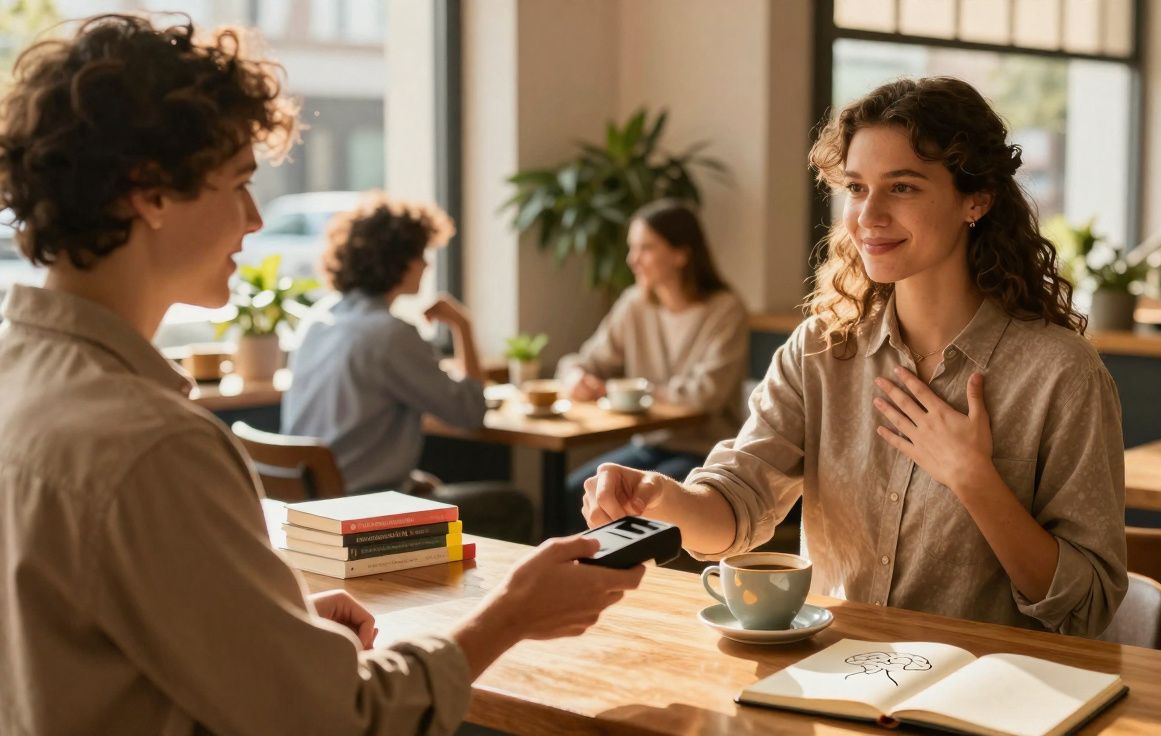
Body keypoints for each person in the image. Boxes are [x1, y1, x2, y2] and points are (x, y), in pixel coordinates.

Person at [0, 15, 641, 734]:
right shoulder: (148, 444)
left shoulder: (19, 382)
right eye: (239, 183)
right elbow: (340, 719)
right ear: (148, 190)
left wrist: (275, 627)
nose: (252, 219)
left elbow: (84, 640)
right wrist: (512, 614)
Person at [581, 77, 1127, 637]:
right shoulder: (821, 351)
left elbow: (1085, 608)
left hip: (982, 698)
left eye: (903, 188)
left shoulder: (1061, 373)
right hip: (832, 681)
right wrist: (665, 500)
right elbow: (738, 507)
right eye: (857, 188)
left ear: (976, 200)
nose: (868, 216)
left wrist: (973, 480)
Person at [284, 192, 533, 541]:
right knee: (514, 505)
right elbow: (471, 410)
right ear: (397, 261)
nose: (427, 266)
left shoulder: (317, 322)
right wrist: (464, 326)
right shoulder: (390, 334)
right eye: (421, 255)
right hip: (364, 518)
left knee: (432, 484)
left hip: (314, 512)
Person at [559, 199, 748, 526]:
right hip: (650, 445)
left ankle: (634, 576)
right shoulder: (635, 303)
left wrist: (637, 391)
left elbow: (706, 394)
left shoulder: (725, 310)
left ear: (681, 254)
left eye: (645, 248)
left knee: (634, 505)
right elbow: (587, 359)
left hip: (706, 451)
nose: (632, 260)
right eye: (632, 248)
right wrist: (575, 374)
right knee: (577, 490)